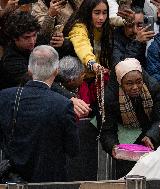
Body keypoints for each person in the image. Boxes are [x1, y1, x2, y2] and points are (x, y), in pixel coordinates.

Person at [0, 45, 79, 182]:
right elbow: (73, 149)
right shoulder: (63, 105)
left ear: (29, 70)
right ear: (56, 71)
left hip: (13, 178)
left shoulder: (5, 97)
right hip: (50, 180)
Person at [100, 58, 160, 178]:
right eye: (129, 83)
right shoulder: (110, 97)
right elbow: (107, 130)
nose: (135, 87)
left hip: (151, 137)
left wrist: (151, 135)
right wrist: (113, 147)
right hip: (126, 144)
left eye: (139, 81)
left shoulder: (154, 87)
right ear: (120, 82)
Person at [63, 0, 112, 108]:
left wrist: (126, 21)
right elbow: (82, 46)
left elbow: (114, 20)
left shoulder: (103, 26)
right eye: (97, 13)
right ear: (88, 12)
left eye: (104, 13)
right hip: (79, 81)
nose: (101, 18)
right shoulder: (78, 28)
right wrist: (92, 63)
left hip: (97, 76)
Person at [0, 11, 41, 90]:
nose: (32, 41)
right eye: (26, 37)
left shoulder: (37, 42)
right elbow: (38, 83)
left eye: (34, 35)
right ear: (15, 38)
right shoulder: (10, 61)